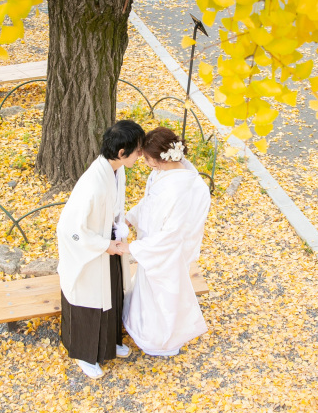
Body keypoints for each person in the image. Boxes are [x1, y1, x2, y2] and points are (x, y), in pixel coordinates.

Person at [57, 119, 144, 379]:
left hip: (109, 243)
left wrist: (118, 229)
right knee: (90, 298)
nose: (140, 155)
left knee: (113, 292)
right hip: (91, 247)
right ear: (121, 153)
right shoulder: (92, 184)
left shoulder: (117, 171)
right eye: (138, 150)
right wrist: (104, 245)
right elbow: (70, 227)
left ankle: (107, 344)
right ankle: (84, 354)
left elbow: (116, 207)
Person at [123, 126, 211, 358]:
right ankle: (141, 323)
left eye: (149, 159)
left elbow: (173, 233)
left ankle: (161, 338)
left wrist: (135, 247)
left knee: (163, 292)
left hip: (165, 249)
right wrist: (131, 218)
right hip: (152, 242)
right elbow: (150, 202)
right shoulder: (163, 173)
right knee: (147, 287)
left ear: (161, 159)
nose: (147, 163)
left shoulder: (182, 188)